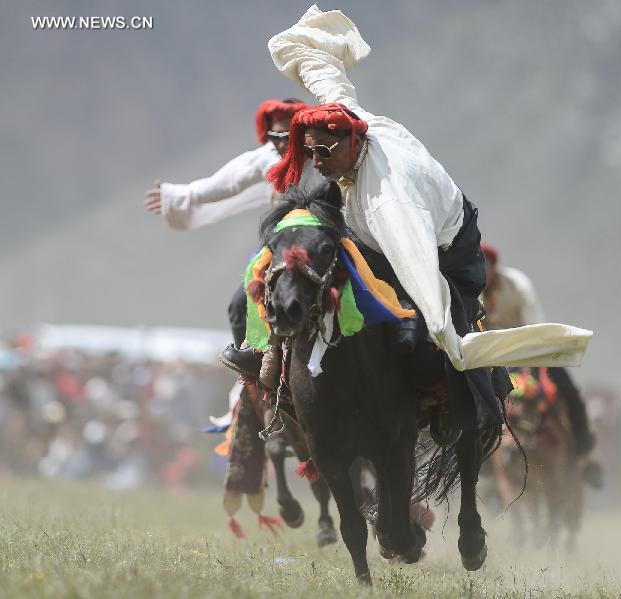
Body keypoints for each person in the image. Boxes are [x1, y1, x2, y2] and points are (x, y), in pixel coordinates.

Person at [226, 5, 592, 433]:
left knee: (421, 342)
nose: (317, 162)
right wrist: (297, 46)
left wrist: (444, 332)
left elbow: (418, 267)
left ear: (351, 141)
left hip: (445, 252)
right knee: (302, 261)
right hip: (371, 228)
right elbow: (323, 73)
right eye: (310, 153)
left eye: (324, 153)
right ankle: (276, 354)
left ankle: (456, 406)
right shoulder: (346, 123)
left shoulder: (389, 202)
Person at [144, 98, 312, 346]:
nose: (278, 143)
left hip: (325, 242)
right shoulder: (267, 158)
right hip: (281, 245)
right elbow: (226, 183)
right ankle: (250, 371)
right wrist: (180, 195)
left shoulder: (322, 155)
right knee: (238, 308)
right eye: (273, 136)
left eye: (285, 135)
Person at [480, 243, 595, 456]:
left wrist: (524, 359)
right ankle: (478, 459)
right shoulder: (469, 289)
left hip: (529, 351)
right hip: (490, 358)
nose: (479, 269)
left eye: (484, 263)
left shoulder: (517, 285)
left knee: (568, 390)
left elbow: (532, 325)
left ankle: (583, 448)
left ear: (494, 266)